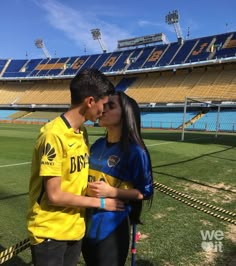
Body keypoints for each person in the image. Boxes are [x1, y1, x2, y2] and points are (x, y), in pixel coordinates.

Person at [26, 69, 125, 266]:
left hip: (75, 229)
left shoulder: (82, 132)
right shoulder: (53, 136)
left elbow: (74, 179)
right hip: (50, 232)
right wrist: (103, 204)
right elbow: (54, 196)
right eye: (103, 105)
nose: (104, 111)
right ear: (90, 101)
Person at [82, 91, 154, 266]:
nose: (103, 109)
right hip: (86, 225)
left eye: (111, 106)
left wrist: (112, 192)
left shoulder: (136, 152)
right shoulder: (98, 145)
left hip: (111, 230)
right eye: (103, 105)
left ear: (125, 115)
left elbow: (145, 192)